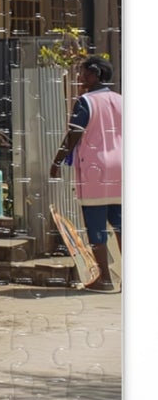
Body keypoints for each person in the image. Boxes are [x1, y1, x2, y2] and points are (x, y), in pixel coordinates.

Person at [50, 55, 122, 291]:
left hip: (95, 171)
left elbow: (74, 135)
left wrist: (57, 161)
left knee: (96, 226)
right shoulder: (122, 100)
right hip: (122, 169)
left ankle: (105, 279)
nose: (79, 77)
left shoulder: (85, 102)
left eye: (83, 73)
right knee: (121, 225)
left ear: (96, 74)